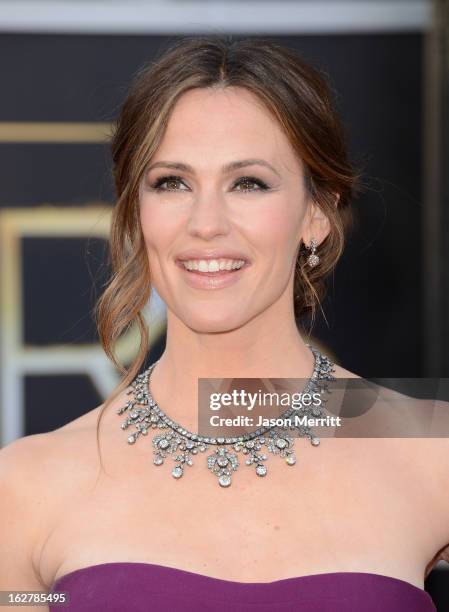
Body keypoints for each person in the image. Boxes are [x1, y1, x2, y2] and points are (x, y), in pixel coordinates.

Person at [0, 35, 447, 612]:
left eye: (248, 183)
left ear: (317, 213)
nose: (206, 223)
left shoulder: (429, 450)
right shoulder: (25, 487)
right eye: (172, 183)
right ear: (136, 213)